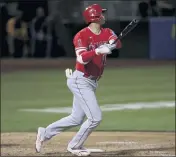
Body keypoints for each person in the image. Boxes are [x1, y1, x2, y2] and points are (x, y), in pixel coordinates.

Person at [35, 4, 122, 156]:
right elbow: (82, 58)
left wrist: (111, 45)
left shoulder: (107, 31)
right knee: (95, 118)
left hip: (92, 81)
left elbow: (118, 42)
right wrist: (97, 50)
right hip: (81, 80)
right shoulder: (81, 36)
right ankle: (74, 146)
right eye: (102, 13)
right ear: (95, 17)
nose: (104, 15)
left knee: (76, 118)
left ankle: (45, 133)